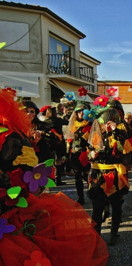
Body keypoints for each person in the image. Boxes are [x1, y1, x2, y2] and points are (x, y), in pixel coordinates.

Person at [0, 89, 108, 265]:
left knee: (87, 184)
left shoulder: (24, 132)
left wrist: (49, 146)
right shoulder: (15, 133)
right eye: (26, 111)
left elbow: (58, 142)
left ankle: (93, 205)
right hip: (51, 167)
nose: (29, 114)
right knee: (81, 182)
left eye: (32, 111)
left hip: (33, 179)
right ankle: (82, 196)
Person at [87, 108, 130, 246]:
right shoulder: (94, 136)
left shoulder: (120, 135)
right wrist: (91, 155)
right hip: (97, 173)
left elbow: (125, 149)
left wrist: (115, 131)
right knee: (97, 208)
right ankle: (96, 235)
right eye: (103, 124)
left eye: (109, 123)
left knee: (116, 206)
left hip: (115, 173)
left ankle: (114, 233)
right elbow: (88, 151)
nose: (106, 126)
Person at [65, 103, 92, 205]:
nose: (81, 113)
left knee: (87, 176)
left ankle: (92, 194)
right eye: (79, 111)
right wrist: (67, 154)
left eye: (83, 111)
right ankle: (81, 198)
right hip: (75, 154)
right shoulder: (73, 125)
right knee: (77, 177)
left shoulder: (90, 124)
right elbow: (69, 141)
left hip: (86, 154)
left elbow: (94, 141)